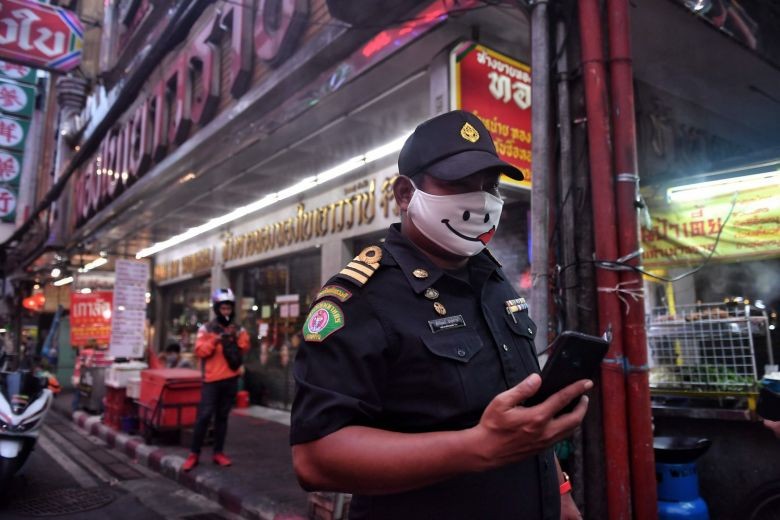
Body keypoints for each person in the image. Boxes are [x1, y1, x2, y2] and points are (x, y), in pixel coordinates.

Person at [290, 110, 590, 519]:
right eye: (458, 184)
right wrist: (478, 447)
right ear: (404, 194)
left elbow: (517, 422)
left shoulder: (492, 278)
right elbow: (314, 457)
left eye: (490, 187)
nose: (481, 200)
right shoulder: (361, 297)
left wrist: (560, 491)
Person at [182, 288, 250, 472]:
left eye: (229, 308)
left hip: (230, 379)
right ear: (217, 309)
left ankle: (218, 452)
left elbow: (244, 347)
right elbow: (200, 351)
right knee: (204, 417)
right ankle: (193, 454)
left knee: (222, 417)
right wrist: (216, 340)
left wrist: (233, 339)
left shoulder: (239, 328)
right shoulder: (206, 329)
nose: (226, 312)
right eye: (223, 308)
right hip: (211, 380)